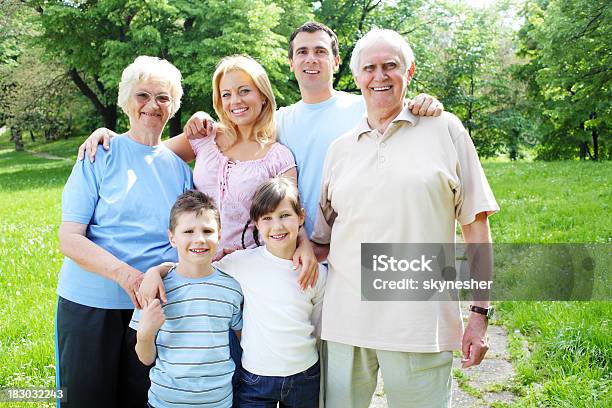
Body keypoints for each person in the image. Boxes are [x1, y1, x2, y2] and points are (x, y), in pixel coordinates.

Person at [310, 29, 500, 407]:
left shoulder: (446, 130)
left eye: (390, 66)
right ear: (357, 77)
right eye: (370, 68)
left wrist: (480, 313)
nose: (379, 76)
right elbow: (321, 239)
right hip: (346, 324)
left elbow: (477, 229)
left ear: (409, 72)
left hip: (420, 325)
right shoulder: (339, 150)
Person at [76, 55, 318, 287]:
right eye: (227, 94)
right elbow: (146, 152)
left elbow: (290, 213)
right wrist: (111, 138)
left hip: (250, 270)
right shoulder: (205, 137)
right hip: (196, 268)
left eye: (245, 91)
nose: (236, 101)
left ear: (263, 96)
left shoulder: (278, 157)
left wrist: (304, 245)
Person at [56, 56, 193, 407]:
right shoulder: (98, 153)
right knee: (85, 400)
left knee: (143, 400)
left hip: (151, 310)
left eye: (163, 98)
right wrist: (128, 276)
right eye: (142, 95)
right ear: (126, 101)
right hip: (90, 305)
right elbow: (69, 238)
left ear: (173, 106)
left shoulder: (180, 170)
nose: (152, 105)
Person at [142, 177, 327, 407]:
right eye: (267, 218)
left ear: (300, 217)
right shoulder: (241, 262)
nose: (277, 226)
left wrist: (305, 244)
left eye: (285, 216)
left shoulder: (316, 273)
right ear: (256, 224)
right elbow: (195, 267)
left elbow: (318, 327)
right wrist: (155, 271)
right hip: (255, 376)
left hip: (304, 372)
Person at [130, 190, 243, 408]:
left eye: (207, 231)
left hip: (218, 402)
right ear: (172, 237)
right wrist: (145, 333)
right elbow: (145, 358)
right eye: (188, 231)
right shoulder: (155, 289)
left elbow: (241, 339)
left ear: (219, 235)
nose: (199, 239)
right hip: (165, 402)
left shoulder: (231, 288)